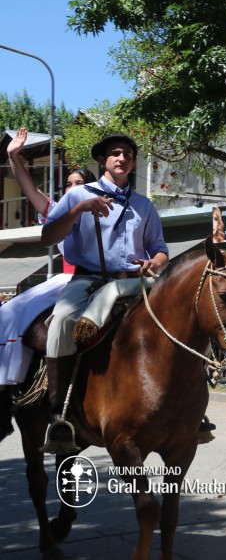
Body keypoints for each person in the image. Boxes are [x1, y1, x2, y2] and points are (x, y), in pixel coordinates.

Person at [39, 133, 169, 448]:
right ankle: (59, 415)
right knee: (61, 322)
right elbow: (47, 237)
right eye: (115, 153)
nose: (122, 158)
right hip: (89, 281)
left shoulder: (144, 204)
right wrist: (80, 209)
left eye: (128, 155)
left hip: (134, 281)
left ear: (133, 163)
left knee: (181, 313)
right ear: (102, 160)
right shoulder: (77, 195)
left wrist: (154, 262)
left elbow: (160, 249)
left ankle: (191, 410)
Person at [0, 128, 95, 388]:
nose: (72, 188)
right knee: (8, 311)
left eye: (79, 184)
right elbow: (29, 187)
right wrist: (13, 156)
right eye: (68, 184)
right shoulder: (58, 212)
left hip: (104, 278)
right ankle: (14, 385)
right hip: (68, 280)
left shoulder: (107, 210)